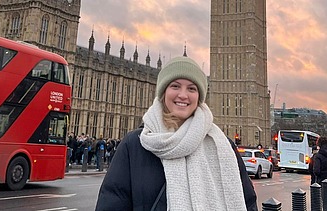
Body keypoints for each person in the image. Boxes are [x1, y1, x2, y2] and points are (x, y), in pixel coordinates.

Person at [95, 56, 258, 211]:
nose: (183, 95)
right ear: (163, 91)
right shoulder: (134, 145)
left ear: (199, 96)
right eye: (175, 86)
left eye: (192, 88)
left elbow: (247, 202)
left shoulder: (222, 145)